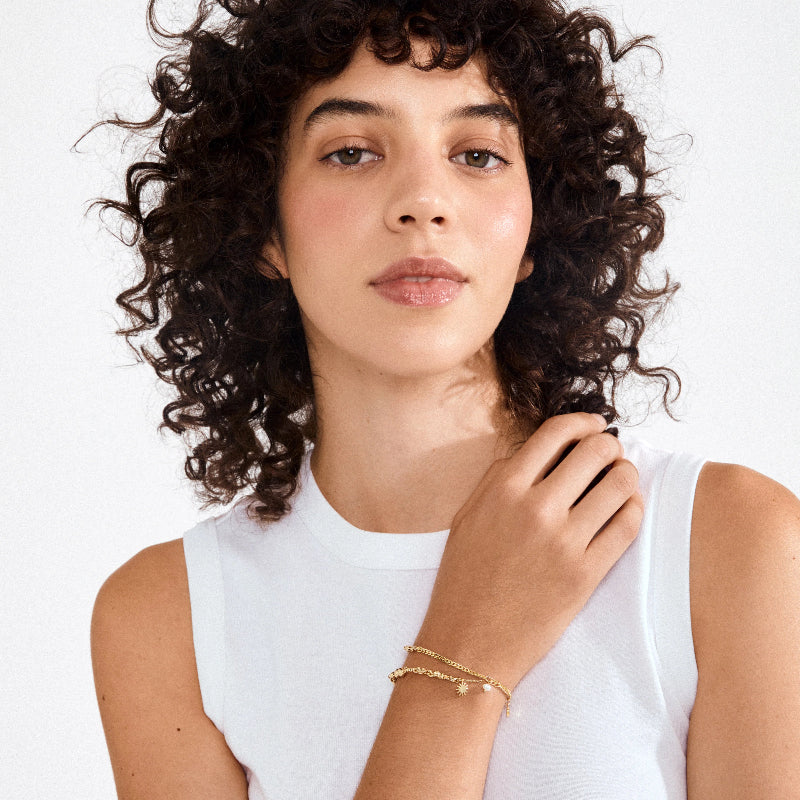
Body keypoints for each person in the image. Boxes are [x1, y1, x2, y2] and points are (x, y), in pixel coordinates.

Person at [89, 0, 800, 797]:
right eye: (353, 152)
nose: (424, 200)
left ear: (539, 224)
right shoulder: (169, 621)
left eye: (479, 154)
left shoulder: (730, 547)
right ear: (262, 227)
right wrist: (464, 653)